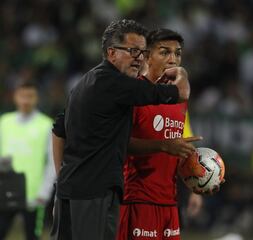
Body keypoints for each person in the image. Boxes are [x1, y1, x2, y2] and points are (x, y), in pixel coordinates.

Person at [51, 19, 191, 240]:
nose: (139, 58)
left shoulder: (86, 82)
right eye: (133, 51)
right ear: (111, 52)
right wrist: (180, 73)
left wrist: (62, 178)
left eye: (142, 52)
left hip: (76, 188)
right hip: (94, 192)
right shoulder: (117, 84)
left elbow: (58, 130)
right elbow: (181, 93)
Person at [116, 28, 203, 240]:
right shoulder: (133, 92)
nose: (173, 59)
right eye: (164, 52)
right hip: (137, 201)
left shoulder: (179, 99)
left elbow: (177, 148)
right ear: (146, 56)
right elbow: (119, 143)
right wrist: (163, 145)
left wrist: (199, 177)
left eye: (178, 53)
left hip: (170, 203)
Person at [0, 81, 56, 240]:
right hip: (6, 191)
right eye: (22, 96)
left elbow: (52, 161)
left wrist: (44, 192)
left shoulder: (45, 125)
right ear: (15, 97)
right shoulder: (4, 122)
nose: (25, 100)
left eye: (30, 96)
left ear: (36, 98)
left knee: (33, 236)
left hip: (33, 194)